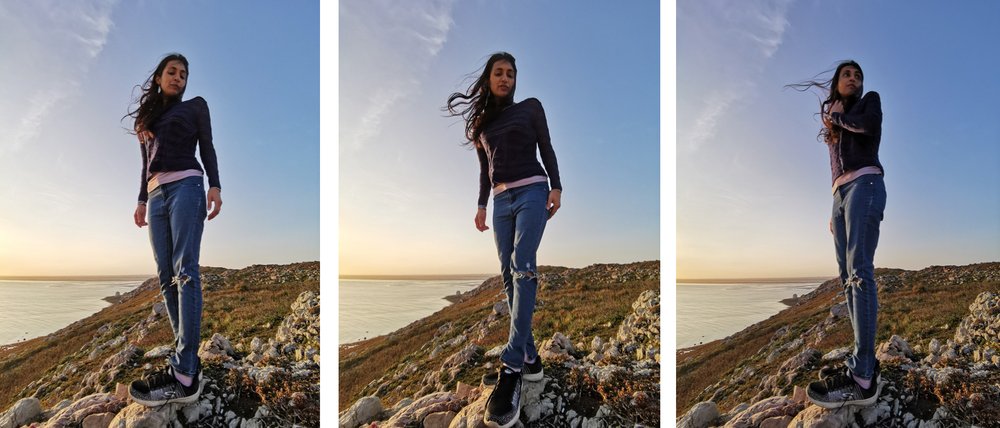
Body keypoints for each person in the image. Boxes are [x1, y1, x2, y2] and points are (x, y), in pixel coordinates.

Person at [446, 52, 562, 427]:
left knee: (522, 266)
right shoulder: (482, 124)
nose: (506, 78)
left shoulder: (530, 108)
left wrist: (556, 186)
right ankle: (530, 359)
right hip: (499, 200)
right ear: (489, 78)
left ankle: (511, 367)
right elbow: (485, 170)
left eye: (511, 73)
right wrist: (480, 205)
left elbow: (546, 146)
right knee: (506, 275)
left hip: (532, 190)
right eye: (499, 72)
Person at [125, 53, 222, 406]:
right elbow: (144, 164)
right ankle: (188, 363)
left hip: (187, 187)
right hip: (155, 195)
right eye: (172, 72)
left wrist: (216, 185)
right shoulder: (146, 120)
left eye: (183, 74)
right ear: (158, 77)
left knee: (185, 272)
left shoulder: (195, 106)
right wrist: (140, 199)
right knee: (165, 276)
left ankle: (183, 374)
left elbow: (207, 146)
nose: (178, 77)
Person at [790, 60, 886, 408]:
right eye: (847, 74)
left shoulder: (867, 104)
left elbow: (869, 126)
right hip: (842, 195)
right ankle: (863, 363)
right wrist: (836, 205)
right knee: (846, 276)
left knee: (860, 272)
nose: (854, 78)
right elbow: (836, 166)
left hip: (867, 183)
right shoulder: (834, 121)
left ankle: (862, 377)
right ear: (836, 81)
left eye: (857, 75)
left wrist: (838, 117)